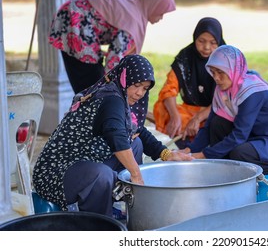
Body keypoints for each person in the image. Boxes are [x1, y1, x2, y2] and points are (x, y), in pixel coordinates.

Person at [32, 54, 192, 217]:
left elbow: (138, 131)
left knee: (135, 144)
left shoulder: (121, 96)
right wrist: (136, 176)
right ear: (124, 77)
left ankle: (121, 203)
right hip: (54, 174)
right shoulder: (110, 99)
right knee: (102, 175)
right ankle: (101, 220)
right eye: (136, 85)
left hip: (84, 161)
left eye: (145, 88)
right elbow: (116, 136)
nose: (139, 93)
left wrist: (167, 154)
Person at [184, 45, 268, 183]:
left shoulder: (251, 91)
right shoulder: (222, 90)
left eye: (220, 72)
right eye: (213, 72)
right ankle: (225, 172)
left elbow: (239, 135)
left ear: (233, 69)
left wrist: (203, 154)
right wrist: (189, 151)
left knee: (240, 153)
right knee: (218, 124)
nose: (216, 77)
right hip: (260, 139)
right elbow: (209, 126)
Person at [48, 0, 176, 94]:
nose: (161, 18)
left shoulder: (133, 1)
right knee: (93, 89)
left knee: (95, 86)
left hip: (71, 17)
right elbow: (115, 63)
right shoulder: (132, 20)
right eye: (161, 12)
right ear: (152, 4)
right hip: (75, 22)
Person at [153, 17, 226, 148]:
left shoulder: (226, 57)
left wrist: (198, 118)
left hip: (216, 109)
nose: (206, 47)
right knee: (162, 108)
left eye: (213, 42)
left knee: (220, 121)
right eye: (201, 41)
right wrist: (175, 117)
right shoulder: (186, 56)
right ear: (195, 38)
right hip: (189, 110)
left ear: (219, 41)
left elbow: (226, 97)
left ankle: (197, 140)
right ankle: (185, 139)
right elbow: (169, 89)